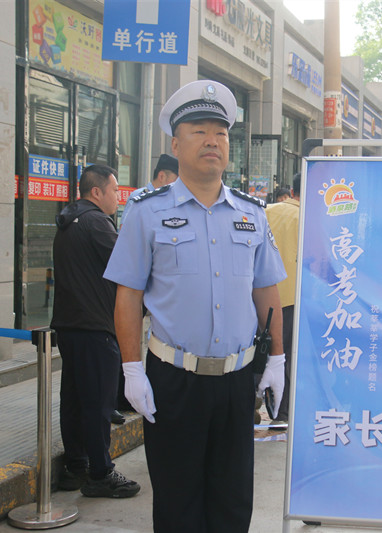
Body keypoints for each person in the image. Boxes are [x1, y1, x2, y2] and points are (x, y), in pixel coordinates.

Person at [104, 80, 286, 532]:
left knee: (232, 503)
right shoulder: (146, 212)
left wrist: (277, 359)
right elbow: (128, 295)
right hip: (174, 380)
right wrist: (131, 369)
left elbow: (267, 291)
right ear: (175, 143)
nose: (212, 141)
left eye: (220, 133)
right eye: (199, 131)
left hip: (237, 381)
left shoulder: (251, 213)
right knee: (177, 504)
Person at [50, 164, 141, 498]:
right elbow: (128, 264)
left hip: (69, 325)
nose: (119, 197)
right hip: (95, 326)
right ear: (96, 192)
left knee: (74, 400)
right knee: (99, 403)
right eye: (115, 190)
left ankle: (76, 466)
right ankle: (101, 473)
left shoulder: (68, 222)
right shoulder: (97, 222)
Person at [264, 174, 301, 423]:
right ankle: (281, 412)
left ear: (291, 190)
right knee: (287, 355)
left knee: (259, 350)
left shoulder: (266, 211)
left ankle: (251, 404)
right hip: (292, 299)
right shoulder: (310, 217)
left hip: (261, 294)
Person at [120, 153, 179, 225]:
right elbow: (125, 228)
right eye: (176, 180)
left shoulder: (172, 200)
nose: (177, 185)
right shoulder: (139, 197)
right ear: (161, 176)